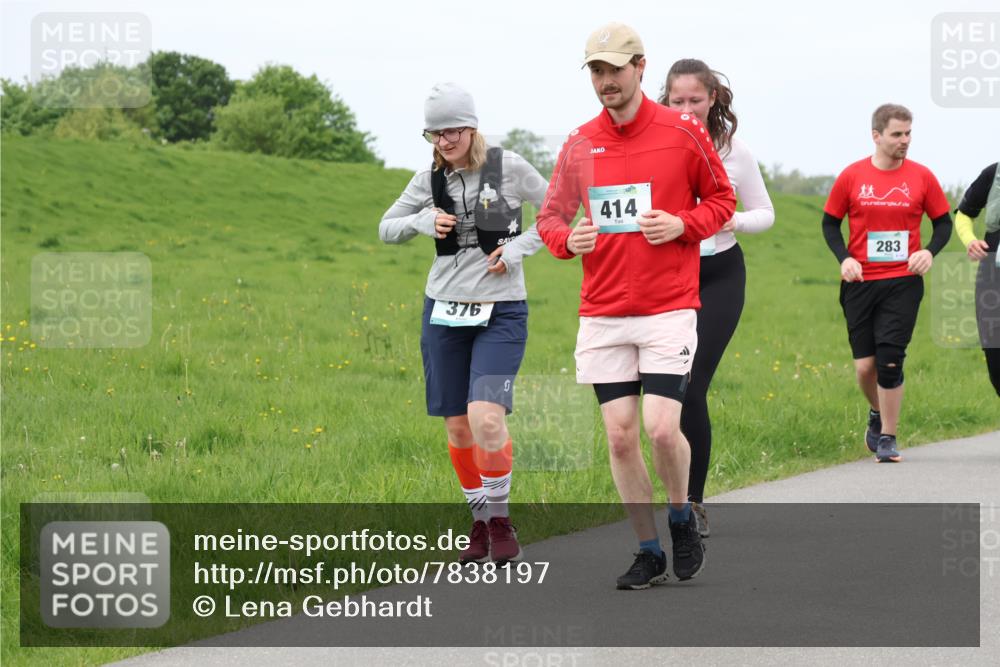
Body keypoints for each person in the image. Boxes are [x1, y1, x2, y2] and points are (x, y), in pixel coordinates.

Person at [536, 23, 736, 589]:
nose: (606, 81)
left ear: (640, 67)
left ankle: (681, 517)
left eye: (615, 69)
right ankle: (648, 550)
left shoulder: (682, 132)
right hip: (603, 311)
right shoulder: (580, 143)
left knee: (662, 429)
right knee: (621, 436)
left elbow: (722, 200)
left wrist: (681, 224)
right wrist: (567, 239)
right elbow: (550, 217)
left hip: (668, 305)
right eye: (596, 71)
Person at [379, 83, 548, 564]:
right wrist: (419, 221)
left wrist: (516, 250)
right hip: (443, 311)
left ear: (472, 127)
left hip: (501, 310)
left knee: (486, 417)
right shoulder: (428, 178)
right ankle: (478, 522)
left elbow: (557, 211)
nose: (444, 141)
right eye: (434, 133)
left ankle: (501, 519)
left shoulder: (507, 166)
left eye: (452, 130)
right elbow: (386, 227)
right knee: (457, 427)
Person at [661, 59, 775, 537]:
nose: (687, 109)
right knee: (664, 394)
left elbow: (765, 212)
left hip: (719, 274)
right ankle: (671, 495)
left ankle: (693, 503)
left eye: (695, 100)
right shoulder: (655, 145)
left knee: (691, 386)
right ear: (665, 100)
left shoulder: (734, 151)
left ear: (713, 99)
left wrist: (734, 220)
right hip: (669, 276)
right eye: (677, 101)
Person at [821, 104, 952, 463]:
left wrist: (928, 252)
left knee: (891, 359)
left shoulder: (922, 177)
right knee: (866, 367)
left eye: (908, 133)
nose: (905, 140)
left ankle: (888, 437)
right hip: (860, 281)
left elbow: (943, 224)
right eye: (897, 134)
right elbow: (830, 224)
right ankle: (877, 412)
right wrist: (844, 258)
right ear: (876, 136)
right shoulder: (852, 176)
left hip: (903, 281)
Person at [954, 161, 1000, 396]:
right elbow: (964, 214)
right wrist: (970, 241)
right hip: (993, 280)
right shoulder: (993, 174)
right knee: (995, 360)